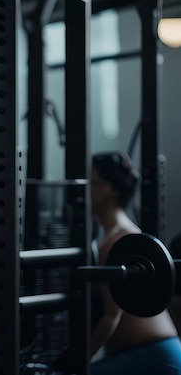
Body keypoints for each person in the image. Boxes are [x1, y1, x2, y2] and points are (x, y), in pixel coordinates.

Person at [89, 151, 181, 375]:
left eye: (92, 183)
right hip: (148, 354)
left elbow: (112, 315)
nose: (86, 191)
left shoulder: (119, 240)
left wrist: (78, 363)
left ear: (110, 189)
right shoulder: (112, 237)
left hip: (152, 356)